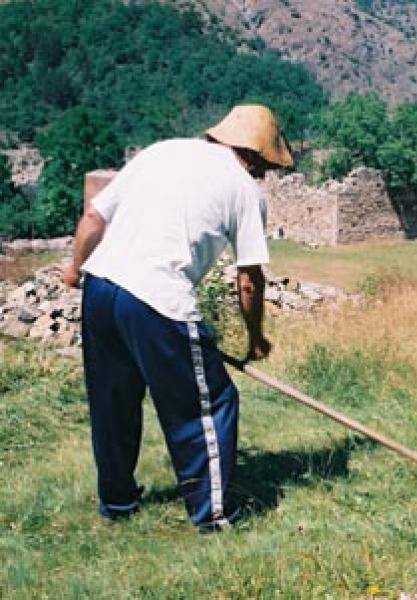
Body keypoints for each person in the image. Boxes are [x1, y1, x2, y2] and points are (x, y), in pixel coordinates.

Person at [62, 105, 293, 531]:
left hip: (100, 288)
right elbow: (249, 280)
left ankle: (117, 503)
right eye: (264, 166)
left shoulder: (160, 151)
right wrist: (255, 338)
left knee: (113, 401)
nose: (263, 176)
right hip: (157, 296)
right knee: (209, 404)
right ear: (255, 155)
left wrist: (75, 269)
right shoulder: (243, 189)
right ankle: (214, 515)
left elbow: (95, 216)